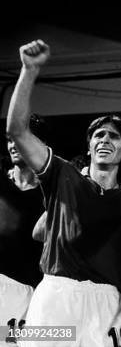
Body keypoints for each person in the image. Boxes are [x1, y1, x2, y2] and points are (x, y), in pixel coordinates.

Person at [7, 40, 121, 347]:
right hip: (55, 298)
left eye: (114, 136)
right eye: (98, 135)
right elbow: (18, 131)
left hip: (106, 303)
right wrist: (29, 70)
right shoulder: (64, 175)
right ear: (88, 147)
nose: (105, 140)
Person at [0, 115, 47, 330]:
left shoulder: (52, 193)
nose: (12, 145)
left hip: (31, 293)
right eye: (10, 139)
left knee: (15, 341)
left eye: (19, 138)